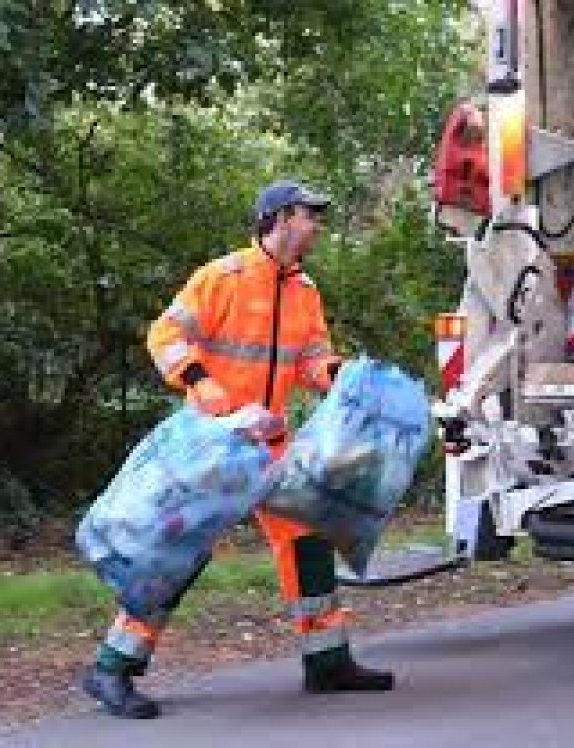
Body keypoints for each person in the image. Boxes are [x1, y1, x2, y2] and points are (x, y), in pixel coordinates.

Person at [82, 180, 395, 719]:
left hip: (269, 446)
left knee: (306, 538)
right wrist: (200, 383)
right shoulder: (223, 276)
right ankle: (112, 668)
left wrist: (345, 375)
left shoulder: (305, 292)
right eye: (308, 215)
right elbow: (165, 337)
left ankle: (328, 661)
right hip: (214, 444)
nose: (316, 225)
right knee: (177, 552)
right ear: (278, 218)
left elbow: (311, 362)